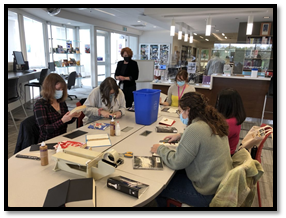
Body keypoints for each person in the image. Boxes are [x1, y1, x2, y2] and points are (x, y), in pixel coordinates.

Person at [151, 92, 233, 207]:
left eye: (180, 111)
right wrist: (181, 135)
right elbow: (203, 136)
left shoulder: (195, 128)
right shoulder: (212, 120)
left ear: (188, 110)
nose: (181, 115)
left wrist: (160, 149)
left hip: (205, 193)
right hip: (219, 184)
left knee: (159, 188)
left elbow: (176, 162)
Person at [34, 73, 81, 143]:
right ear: (50, 88)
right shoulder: (40, 104)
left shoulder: (61, 101)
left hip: (61, 139)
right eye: (58, 89)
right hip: (48, 142)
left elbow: (66, 121)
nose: (61, 91)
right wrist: (62, 121)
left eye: (62, 89)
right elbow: (45, 129)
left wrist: (73, 116)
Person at [216, 88, 246, 155]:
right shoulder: (235, 119)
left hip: (223, 156)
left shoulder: (229, 123)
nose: (217, 104)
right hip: (225, 153)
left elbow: (214, 140)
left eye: (219, 102)